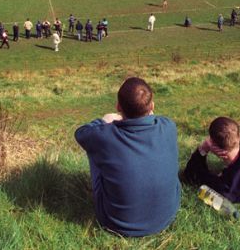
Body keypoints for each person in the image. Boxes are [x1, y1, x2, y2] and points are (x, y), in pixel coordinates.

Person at [75, 77, 180, 237]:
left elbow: (81, 134)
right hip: (168, 215)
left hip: (116, 223)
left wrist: (104, 121)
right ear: (152, 106)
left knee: (94, 147)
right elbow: (155, 118)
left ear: (118, 107)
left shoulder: (104, 136)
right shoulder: (169, 126)